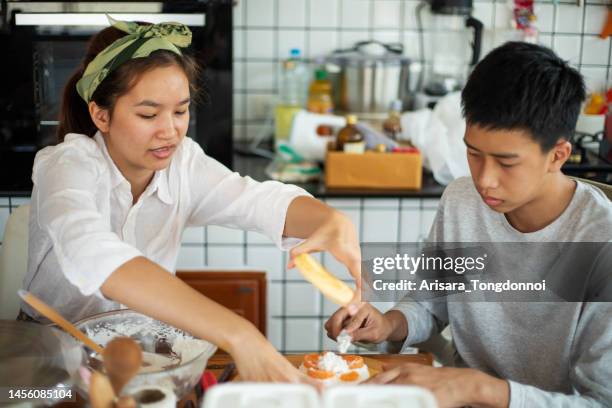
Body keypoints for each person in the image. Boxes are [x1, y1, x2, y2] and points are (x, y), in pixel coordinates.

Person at [20, 17, 361, 383]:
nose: (170, 131)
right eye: (149, 114)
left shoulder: (184, 164)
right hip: (48, 364)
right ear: (101, 115)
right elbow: (93, 253)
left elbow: (258, 201)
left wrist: (330, 221)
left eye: (180, 110)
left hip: (141, 360)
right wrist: (238, 333)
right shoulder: (66, 166)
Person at [326, 42, 612, 407]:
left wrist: (480, 388)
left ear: (557, 155)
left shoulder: (600, 239)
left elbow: (601, 401)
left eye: (506, 163)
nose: (485, 180)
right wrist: (389, 324)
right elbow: (429, 304)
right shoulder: (462, 200)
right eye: (473, 154)